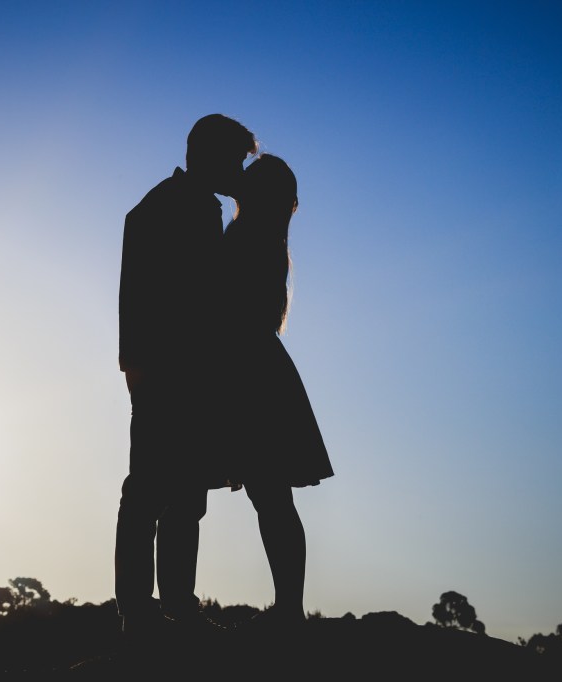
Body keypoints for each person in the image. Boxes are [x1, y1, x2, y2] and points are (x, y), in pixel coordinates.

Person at [115, 114, 258, 638]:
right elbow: (141, 295)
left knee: (187, 495)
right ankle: (138, 610)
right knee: (149, 490)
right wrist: (137, 371)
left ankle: (176, 605)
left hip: (196, 378)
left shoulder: (203, 207)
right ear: (210, 154)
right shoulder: (159, 208)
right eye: (236, 160)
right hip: (164, 374)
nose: (240, 172)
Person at [220, 153, 334, 628]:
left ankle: (290, 609)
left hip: (251, 374)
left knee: (271, 497)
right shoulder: (264, 238)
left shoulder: (246, 236)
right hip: (260, 370)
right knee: (273, 498)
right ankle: (290, 607)